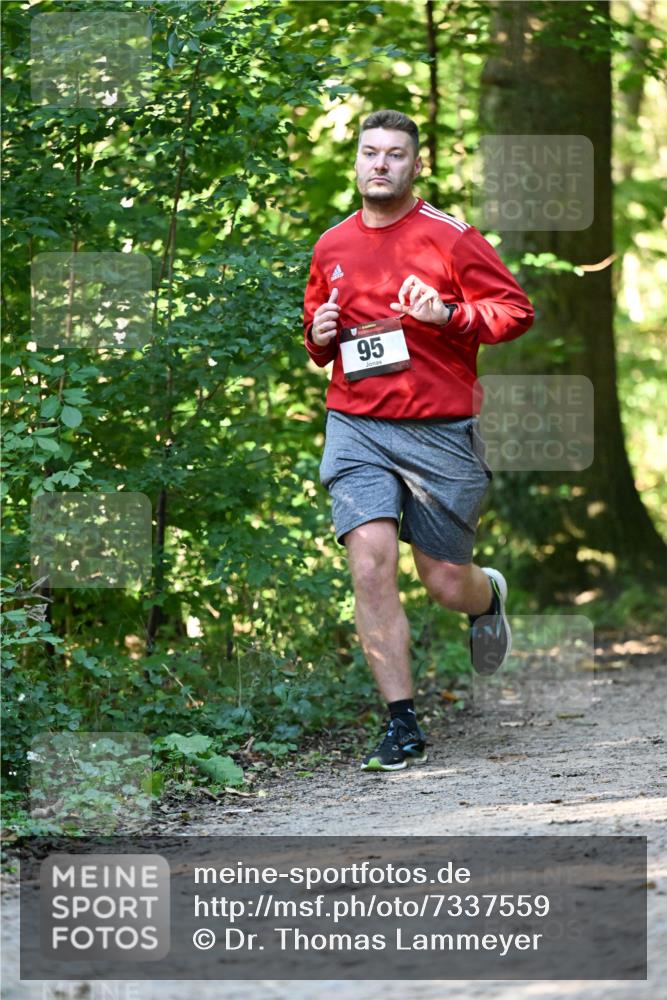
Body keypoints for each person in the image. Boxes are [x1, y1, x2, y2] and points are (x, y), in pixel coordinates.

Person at [302, 109, 534, 772]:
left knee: (440, 581)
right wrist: (316, 335)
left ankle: (484, 595)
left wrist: (450, 314)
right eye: (370, 152)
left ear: (415, 164)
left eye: (394, 154)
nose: (380, 164)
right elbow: (320, 340)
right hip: (357, 425)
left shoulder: (449, 238)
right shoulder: (331, 246)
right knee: (369, 562)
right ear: (356, 162)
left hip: (438, 432)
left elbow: (515, 311)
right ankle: (401, 724)